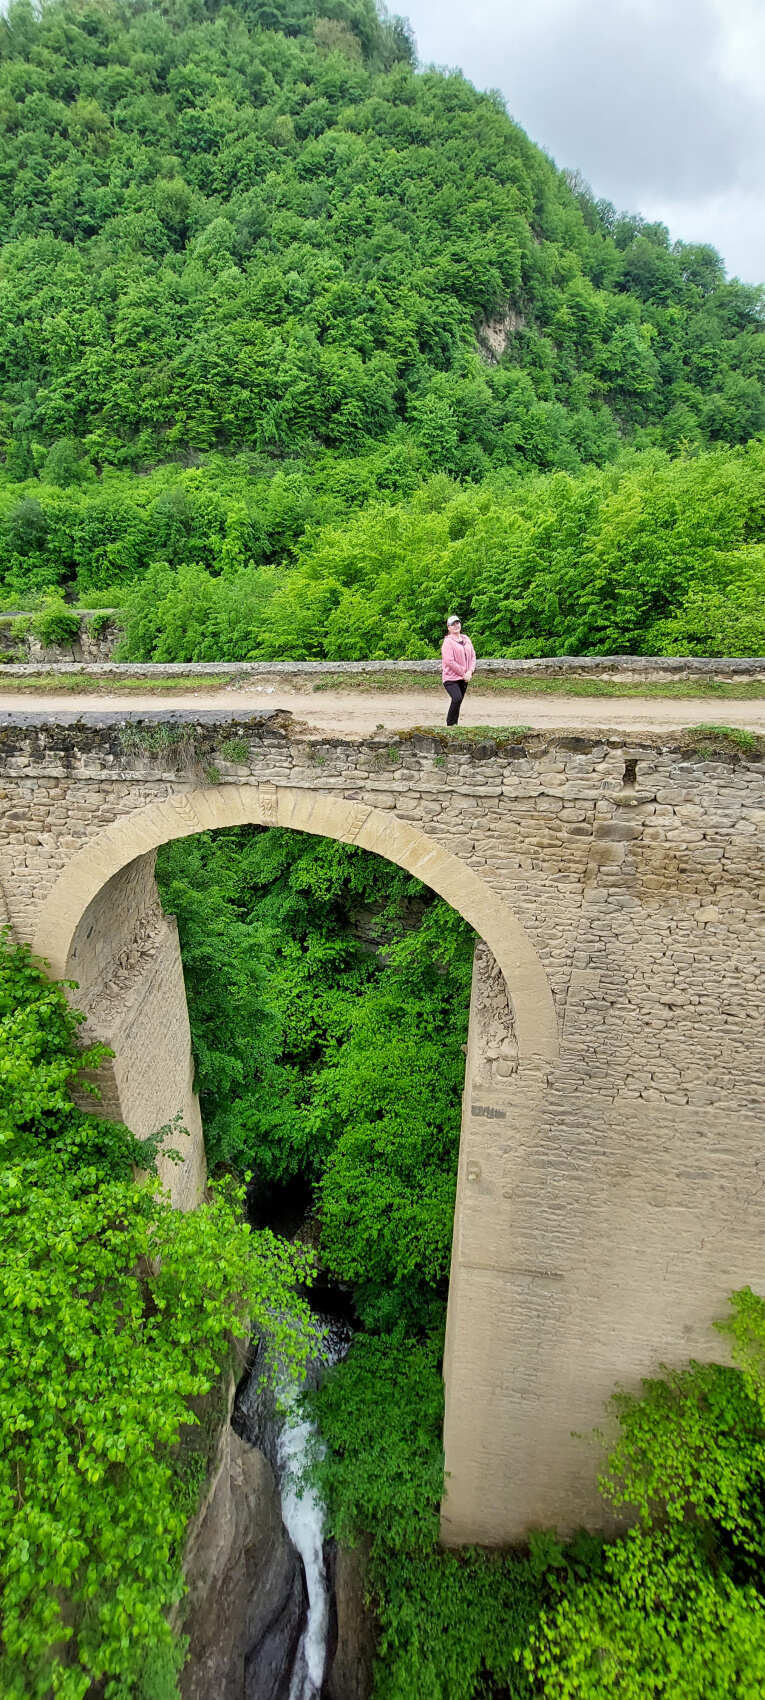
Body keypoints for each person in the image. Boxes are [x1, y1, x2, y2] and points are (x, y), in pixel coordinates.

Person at [441, 614, 476, 726]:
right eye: (453, 624)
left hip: (465, 677)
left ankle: (455, 725)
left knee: (458, 701)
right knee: (456, 698)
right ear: (448, 628)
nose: (456, 626)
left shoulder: (466, 639)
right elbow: (449, 661)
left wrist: (470, 671)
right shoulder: (447, 642)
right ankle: (450, 724)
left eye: (457, 623)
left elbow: (473, 656)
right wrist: (463, 672)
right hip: (451, 678)